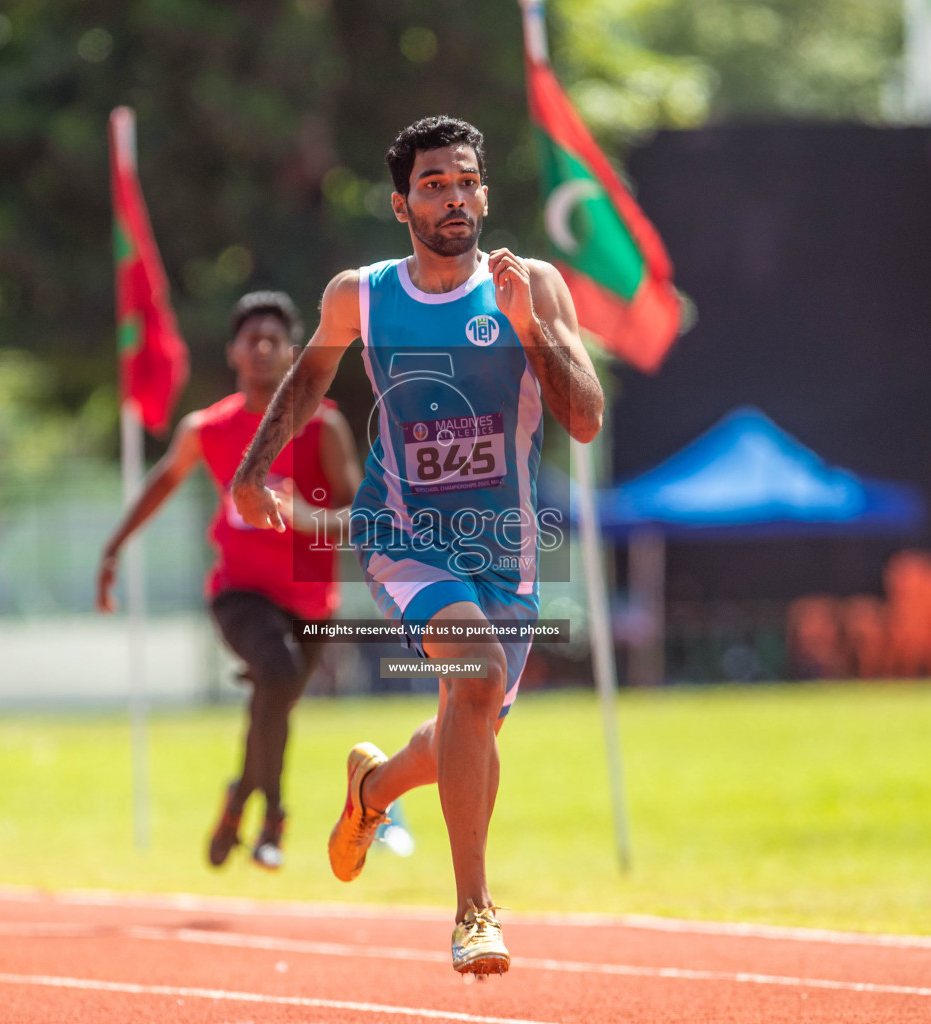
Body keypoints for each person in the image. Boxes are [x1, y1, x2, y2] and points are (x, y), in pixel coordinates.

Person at [233, 116, 603, 974]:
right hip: (404, 532)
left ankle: (373, 789)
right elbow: (311, 378)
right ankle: (475, 912)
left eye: (466, 181)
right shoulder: (359, 296)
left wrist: (529, 327)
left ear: (485, 193)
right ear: (402, 205)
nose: (454, 197)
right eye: (434, 184)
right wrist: (254, 472)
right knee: (471, 675)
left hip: (503, 546)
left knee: (466, 729)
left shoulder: (532, 285)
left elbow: (584, 419)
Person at [97, 291, 361, 871]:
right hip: (239, 590)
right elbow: (161, 485)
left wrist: (304, 518)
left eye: (275, 340)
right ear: (234, 352)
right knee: (278, 673)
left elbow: (363, 517)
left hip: (310, 600)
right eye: (252, 339)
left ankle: (238, 799)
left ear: (292, 353)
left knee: (274, 703)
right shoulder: (208, 428)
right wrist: (113, 549)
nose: (263, 348)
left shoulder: (325, 426)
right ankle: (273, 820)